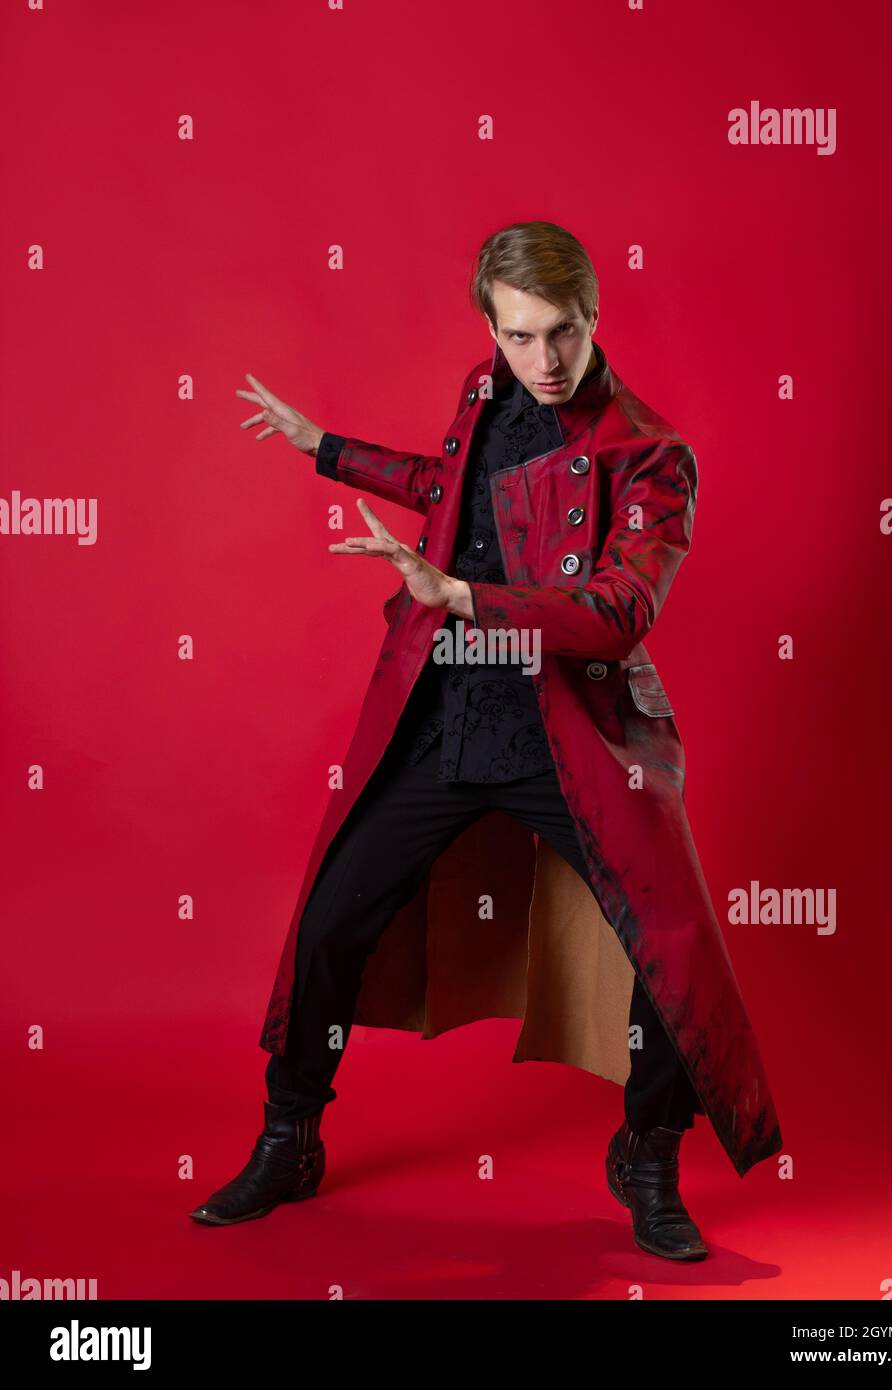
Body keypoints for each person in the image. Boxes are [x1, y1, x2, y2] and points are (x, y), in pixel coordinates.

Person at [189, 221, 783, 1256]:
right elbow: (449, 487)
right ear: (491, 328)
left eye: (562, 333)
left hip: (574, 731)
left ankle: (648, 1152)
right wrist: (323, 447)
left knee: (667, 953)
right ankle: (291, 1137)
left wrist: (461, 594)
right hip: (450, 719)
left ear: (597, 316)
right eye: (518, 337)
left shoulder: (649, 453)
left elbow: (616, 608)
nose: (543, 362)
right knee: (329, 918)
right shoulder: (484, 391)